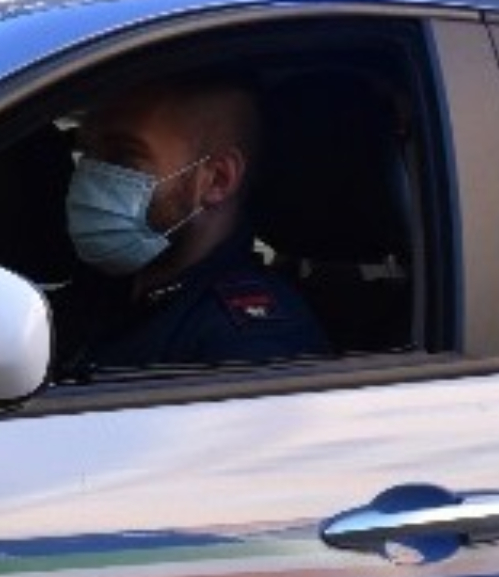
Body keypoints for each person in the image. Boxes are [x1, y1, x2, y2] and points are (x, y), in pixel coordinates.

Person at [53, 74, 330, 373]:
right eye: (86, 153)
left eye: (124, 158)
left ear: (216, 180)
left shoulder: (247, 346)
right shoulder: (106, 290)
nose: (89, 176)